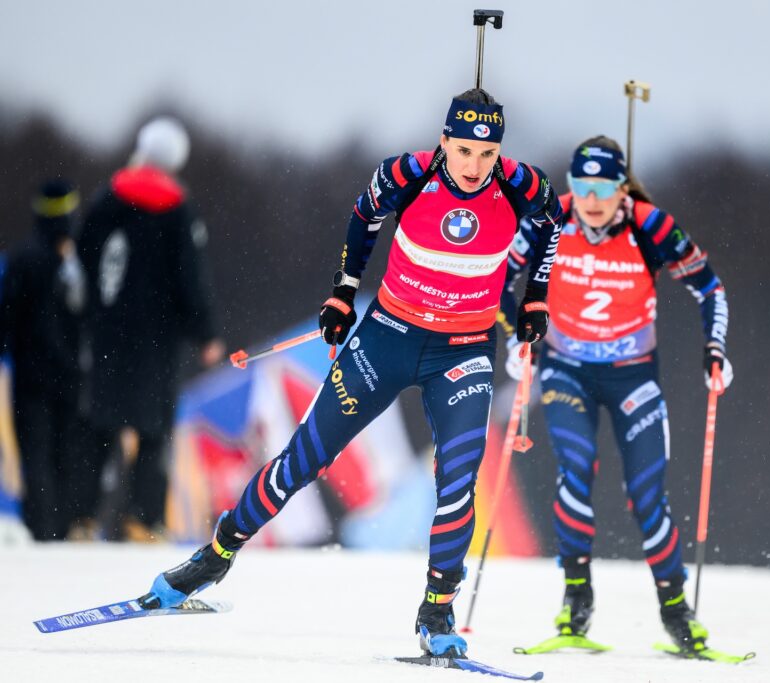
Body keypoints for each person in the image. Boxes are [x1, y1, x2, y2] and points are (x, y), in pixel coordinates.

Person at [139, 89, 563, 658]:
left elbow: (553, 224)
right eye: (463, 151)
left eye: (486, 155)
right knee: (302, 460)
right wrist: (342, 293)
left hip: (462, 350)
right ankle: (213, 557)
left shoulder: (522, 185)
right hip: (388, 338)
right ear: (444, 142)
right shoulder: (407, 174)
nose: (473, 166)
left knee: (459, 481)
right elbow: (364, 217)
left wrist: (534, 297)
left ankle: (437, 611)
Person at [501, 136, 733, 656]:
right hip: (567, 372)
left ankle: (677, 615)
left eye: (604, 186)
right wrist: (516, 333)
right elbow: (501, 276)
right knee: (576, 471)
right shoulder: (548, 219)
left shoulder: (651, 226)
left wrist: (714, 349)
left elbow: (709, 288)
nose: (592, 198)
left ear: (622, 187)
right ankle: (575, 603)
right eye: (581, 185)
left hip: (633, 378)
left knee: (647, 494)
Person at [77, 117, 225, 542]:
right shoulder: (178, 210)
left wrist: (84, 317)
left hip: (107, 332)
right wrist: (207, 334)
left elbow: (85, 259)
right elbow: (190, 277)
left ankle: (80, 517)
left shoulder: (107, 200)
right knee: (154, 430)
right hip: (157, 340)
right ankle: (142, 518)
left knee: (98, 426)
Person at [0, 179, 88, 540]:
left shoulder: (22, 258)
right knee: (66, 453)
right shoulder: (80, 261)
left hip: (31, 375)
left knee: (35, 452)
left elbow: (5, 317)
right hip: (72, 375)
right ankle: (64, 526)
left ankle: (41, 528)